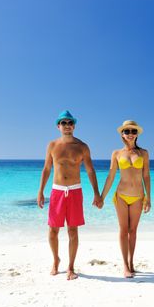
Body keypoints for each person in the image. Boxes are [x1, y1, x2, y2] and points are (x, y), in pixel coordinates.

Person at [37, 110, 102, 280]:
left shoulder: (82, 147)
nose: (67, 125)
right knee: (53, 230)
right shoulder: (52, 145)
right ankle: (55, 260)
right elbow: (47, 169)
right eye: (63, 123)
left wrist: (97, 193)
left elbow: (90, 170)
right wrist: (41, 192)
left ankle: (71, 267)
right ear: (58, 126)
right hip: (57, 191)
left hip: (75, 191)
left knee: (73, 230)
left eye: (70, 122)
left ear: (74, 126)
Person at [101, 120, 151, 278]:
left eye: (133, 131)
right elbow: (110, 176)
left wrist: (148, 197)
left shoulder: (144, 153)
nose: (130, 134)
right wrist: (101, 196)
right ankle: (125, 265)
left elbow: (146, 176)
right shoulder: (116, 153)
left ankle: (131, 262)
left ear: (137, 134)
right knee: (123, 230)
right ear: (122, 134)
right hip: (121, 195)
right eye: (127, 131)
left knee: (133, 231)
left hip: (137, 196)